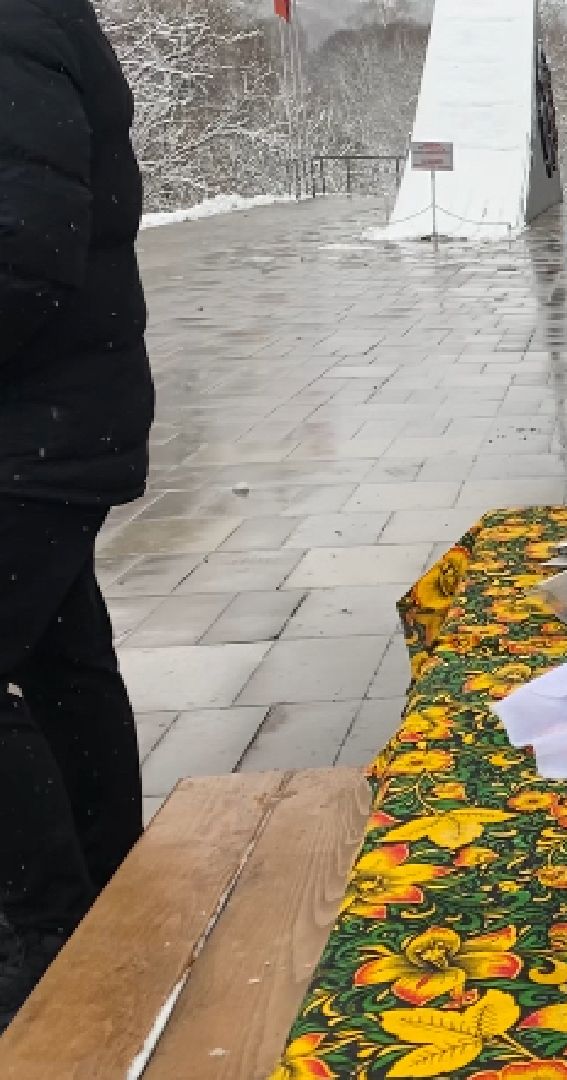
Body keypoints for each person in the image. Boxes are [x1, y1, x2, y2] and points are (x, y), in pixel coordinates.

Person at [0, 0, 152, 1026]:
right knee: (60, 659)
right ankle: (109, 901)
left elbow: (22, 254)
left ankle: (44, 936)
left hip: (32, 424)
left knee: (58, 659)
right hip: (49, 422)